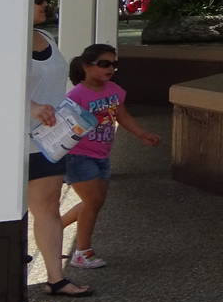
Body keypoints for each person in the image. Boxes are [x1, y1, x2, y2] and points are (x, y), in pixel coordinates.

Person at [25, 0, 92, 302]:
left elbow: (57, 86)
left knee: (48, 208)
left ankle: (55, 277)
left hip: (47, 141)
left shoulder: (48, 38)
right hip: (6, 143)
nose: (44, 2)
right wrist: (31, 106)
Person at [60, 43, 162, 269]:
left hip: (102, 154)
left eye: (114, 64)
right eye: (104, 64)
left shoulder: (114, 90)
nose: (110, 68)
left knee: (94, 202)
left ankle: (54, 230)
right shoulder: (76, 95)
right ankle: (83, 252)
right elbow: (63, 125)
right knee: (92, 201)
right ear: (87, 66)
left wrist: (142, 134)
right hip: (78, 156)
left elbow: (122, 116)